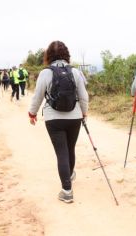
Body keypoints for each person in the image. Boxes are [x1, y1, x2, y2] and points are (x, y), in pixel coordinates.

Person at [28, 41, 89, 203]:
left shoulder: (45, 73)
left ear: (49, 56)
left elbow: (38, 96)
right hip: (74, 116)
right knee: (70, 148)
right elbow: (83, 96)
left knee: (61, 152)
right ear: (66, 54)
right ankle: (68, 175)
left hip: (53, 119)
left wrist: (32, 113)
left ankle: (67, 191)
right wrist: (84, 112)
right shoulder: (75, 72)